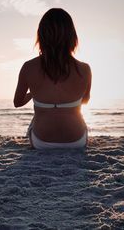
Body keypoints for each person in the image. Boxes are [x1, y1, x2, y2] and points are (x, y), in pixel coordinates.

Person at [13, 8, 91, 149]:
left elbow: (17, 102)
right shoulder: (84, 69)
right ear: (72, 36)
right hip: (76, 141)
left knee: (36, 120)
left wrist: (34, 94)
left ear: (41, 36)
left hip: (42, 142)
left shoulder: (29, 67)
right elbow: (85, 100)